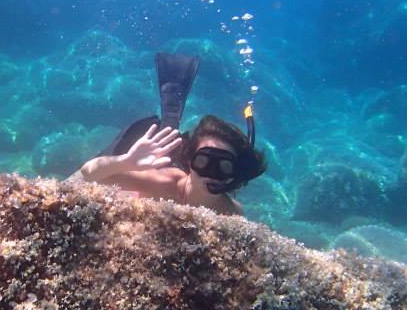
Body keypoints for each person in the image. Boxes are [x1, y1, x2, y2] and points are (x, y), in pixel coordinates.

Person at [67, 53, 266, 216]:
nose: (211, 175)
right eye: (204, 161)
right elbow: (89, 174)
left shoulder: (232, 213)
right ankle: (171, 108)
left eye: (224, 166)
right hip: (161, 168)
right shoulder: (167, 184)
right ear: (190, 163)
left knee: (166, 144)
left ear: (235, 174)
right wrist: (126, 162)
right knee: (161, 138)